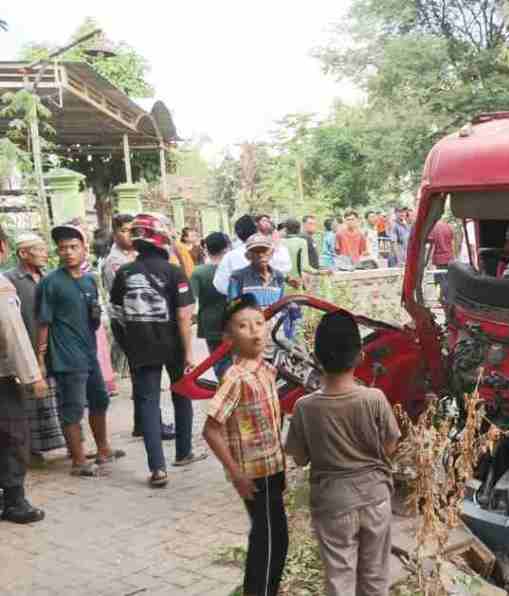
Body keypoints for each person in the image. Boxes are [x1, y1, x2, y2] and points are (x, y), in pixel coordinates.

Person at [284, 310, 400, 596]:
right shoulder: (375, 399)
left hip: (332, 503)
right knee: (375, 578)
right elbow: (391, 445)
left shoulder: (304, 407)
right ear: (360, 356)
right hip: (375, 498)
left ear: (317, 357)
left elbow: (299, 458)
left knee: (339, 579)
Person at [203, 294, 288, 596]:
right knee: (268, 541)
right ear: (228, 338)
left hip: (273, 467)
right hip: (254, 475)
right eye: (243, 326)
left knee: (275, 538)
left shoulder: (266, 370)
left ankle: (268, 589)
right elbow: (211, 429)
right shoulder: (236, 378)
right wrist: (236, 473)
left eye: (259, 323)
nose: (254, 331)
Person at [109, 214, 203, 487]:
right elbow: (184, 317)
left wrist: (129, 346)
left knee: (148, 403)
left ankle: (158, 469)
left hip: (140, 347)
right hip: (172, 344)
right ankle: (184, 452)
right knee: (181, 395)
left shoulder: (123, 273)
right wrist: (188, 354)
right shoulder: (174, 273)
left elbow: (116, 316)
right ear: (162, 239)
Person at [34, 224, 115, 477]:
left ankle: (103, 450)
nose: (68, 252)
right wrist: (40, 360)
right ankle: (79, 461)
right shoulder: (50, 283)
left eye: (73, 247)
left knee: (100, 400)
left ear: (84, 249)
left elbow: (94, 319)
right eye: (63, 248)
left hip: (89, 354)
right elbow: (43, 323)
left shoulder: (91, 280)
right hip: (67, 357)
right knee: (73, 407)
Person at [0, 224, 49, 524]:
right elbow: (12, 332)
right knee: (13, 434)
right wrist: (33, 375)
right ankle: (15, 501)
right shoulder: (2, 286)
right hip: (3, 378)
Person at [4, 233, 64, 464]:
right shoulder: (10, 280)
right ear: (23, 253)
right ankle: (31, 450)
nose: (44, 252)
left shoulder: (48, 277)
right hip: (26, 346)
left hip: (53, 348)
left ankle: (61, 443)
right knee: (29, 401)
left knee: (54, 396)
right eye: (38, 249)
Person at [214, 215, 292, 296]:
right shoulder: (272, 250)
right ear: (258, 230)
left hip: (244, 304)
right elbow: (286, 268)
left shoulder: (230, 256)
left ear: (238, 234)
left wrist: (239, 293)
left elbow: (219, 284)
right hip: (271, 302)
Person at [192, 232, 231, 378]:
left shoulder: (199, 272)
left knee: (218, 360)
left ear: (206, 249)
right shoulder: (234, 270)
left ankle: (224, 389)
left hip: (210, 324)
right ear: (227, 248)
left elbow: (192, 300)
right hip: (233, 322)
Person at [282, 218, 317, 286]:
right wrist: (318, 272)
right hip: (297, 281)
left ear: (286, 229)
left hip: (284, 281)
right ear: (299, 229)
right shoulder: (302, 241)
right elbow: (305, 266)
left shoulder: (280, 242)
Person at [428, 218, 455, 304]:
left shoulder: (433, 228)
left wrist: (428, 261)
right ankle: (448, 300)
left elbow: (431, 246)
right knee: (448, 280)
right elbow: (452, 243)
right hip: (450, 258)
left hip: (439, 260)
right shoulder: (448, 226)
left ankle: (444, 301)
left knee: (440, 282)